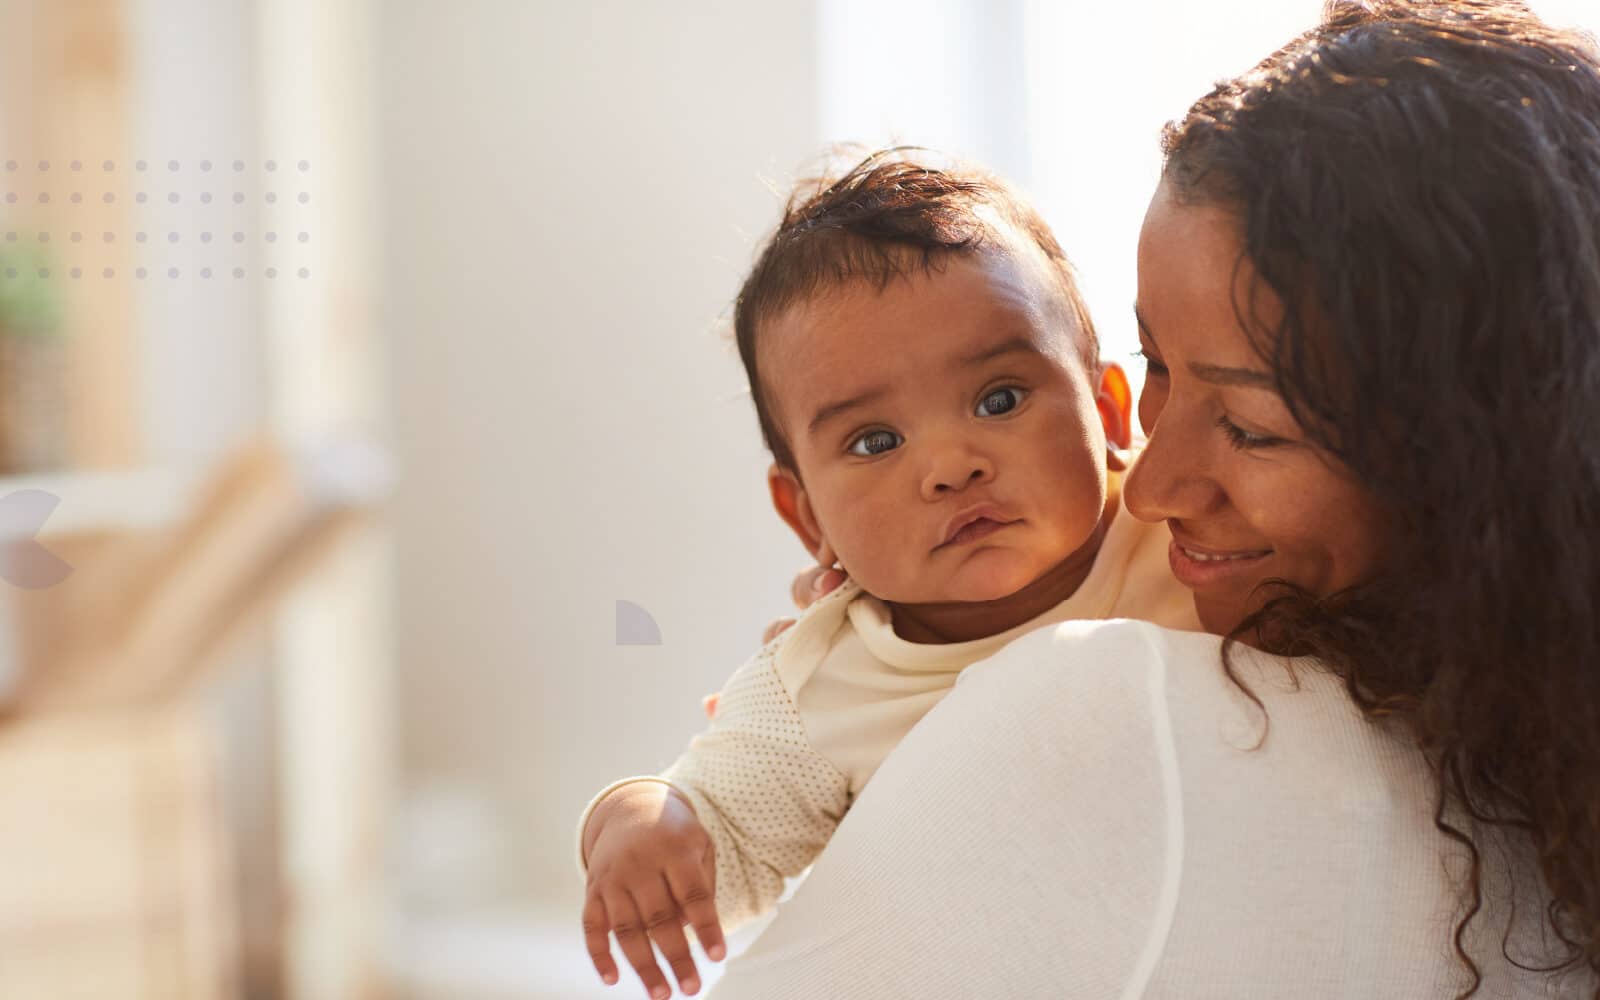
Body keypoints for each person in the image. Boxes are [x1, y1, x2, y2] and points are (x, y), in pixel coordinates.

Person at [703, 1, 1600, 997]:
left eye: (1253, 426)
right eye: (1159, 365)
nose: (1152, 481)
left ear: (1474, 465)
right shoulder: (1542, 781)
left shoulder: (1107, 705)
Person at [576, 151, 1201, 999]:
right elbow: (724, 835)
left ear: (1109, 412)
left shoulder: (1185, 531)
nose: (950, 466)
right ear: (808, 519)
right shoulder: (823, 677)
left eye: (1000, 399)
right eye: (875, 441)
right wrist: (640, 818)